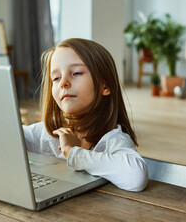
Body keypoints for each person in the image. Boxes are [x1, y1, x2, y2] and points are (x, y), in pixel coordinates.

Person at [23, 38, 148, 192]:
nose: (63, 82)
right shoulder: (47, 134)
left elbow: (135, 177)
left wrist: (73, 152)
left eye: (76, 73)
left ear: (105, 85)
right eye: (56, 78)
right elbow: (9, 135)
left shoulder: (112, 140)